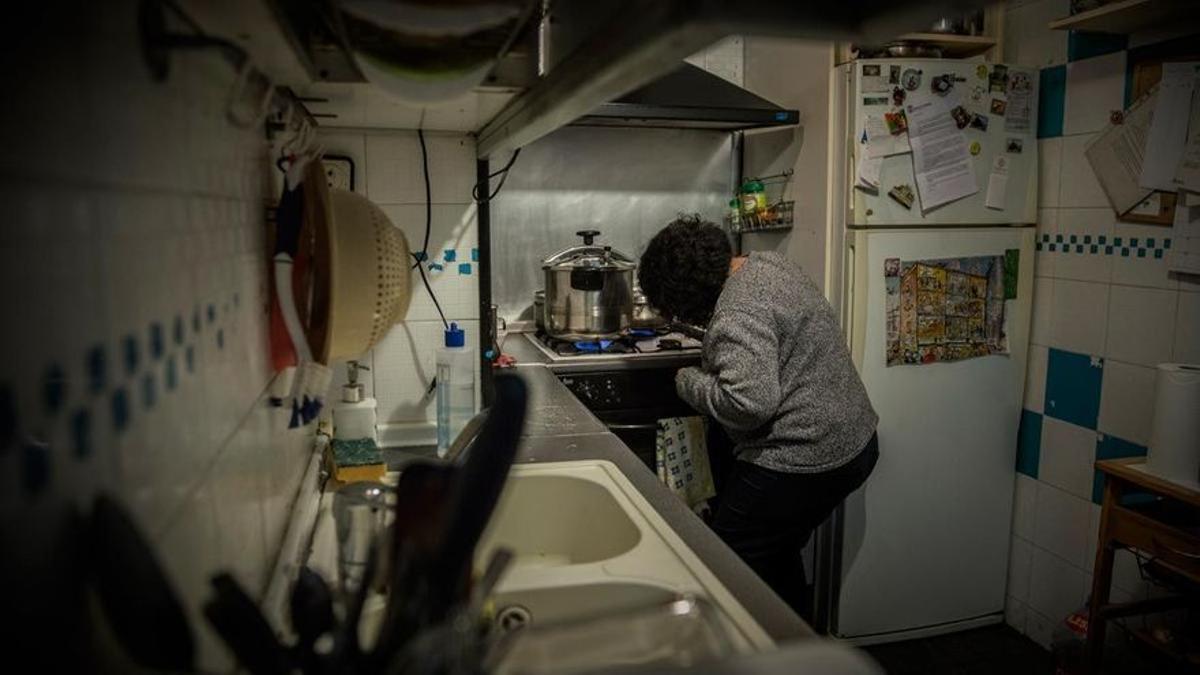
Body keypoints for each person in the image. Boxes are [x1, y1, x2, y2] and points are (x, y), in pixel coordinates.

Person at [638, 215, 879, 619]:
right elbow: (770, 338)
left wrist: (687, 380)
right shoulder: (765, 264)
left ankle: (757, 651)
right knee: (773, 554)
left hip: (804, 457)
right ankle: (794, 647)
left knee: (726, 561)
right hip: (854, 441)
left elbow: (748, 404)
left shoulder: (736, 312)